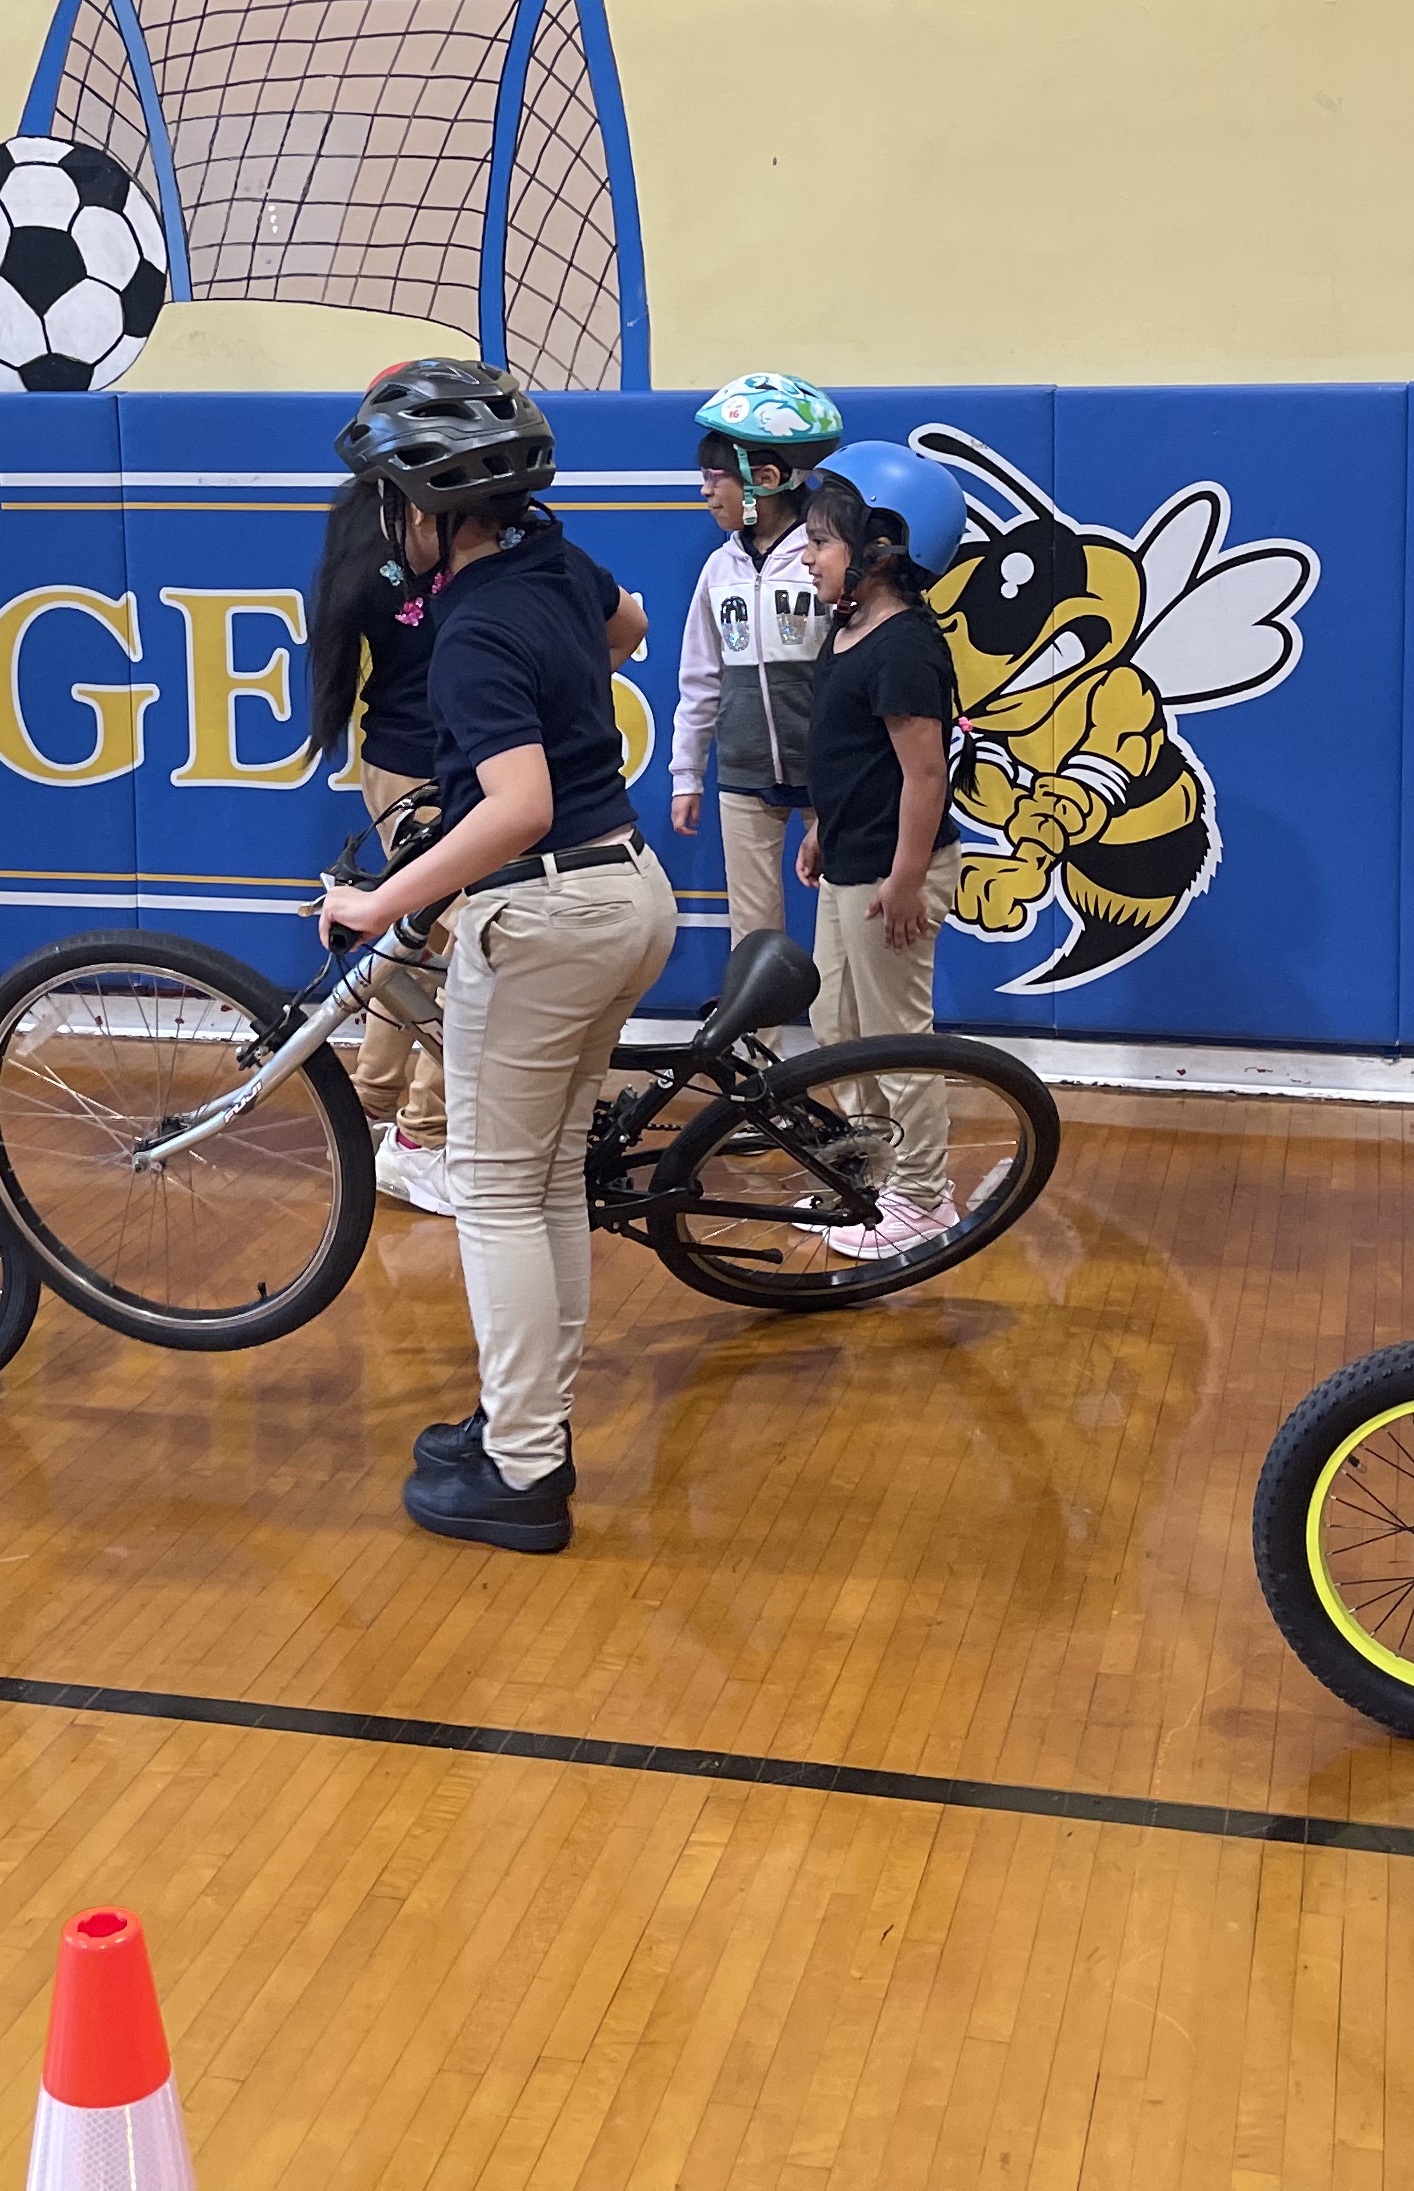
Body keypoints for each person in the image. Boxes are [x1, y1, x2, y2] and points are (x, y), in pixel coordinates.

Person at [317, 362, 669, 1555]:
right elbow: (628, 629)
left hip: (546, 915)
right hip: (628, 894)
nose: (378, 522)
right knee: (551, 1178)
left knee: (501, 1195)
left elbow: (514, 805)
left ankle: (523, 1469)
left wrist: (382, 903)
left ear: (427, 509)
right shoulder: (554, 565)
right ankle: (528, 1425)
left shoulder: (467, 627)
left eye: (386, 500)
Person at [791, 442, 973, 1259]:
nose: (807, 552)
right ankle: (869, 1173)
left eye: (823, 541)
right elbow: (850, 756)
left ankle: (926, 1197)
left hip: (894, 875)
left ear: (882, 551)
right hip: (850, 861)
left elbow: (925, 776)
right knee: (839, 1024)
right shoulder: (848, 630)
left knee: (897, 1036)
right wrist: (824, 829)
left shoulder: (905, 647)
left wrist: (905, 882)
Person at [305, 469, 452, 1209]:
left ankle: (372, 1101)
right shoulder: (404, 546)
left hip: (405, 765)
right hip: (422, 769)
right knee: (450, 951)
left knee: (414, 944)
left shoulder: (383, 532)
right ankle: (424, 1134)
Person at [668, 372, 842, 975]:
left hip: (830, 771)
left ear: (765, 481)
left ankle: (841, 1057)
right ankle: (756, 1056)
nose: (704, 493)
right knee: (753, 929)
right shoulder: (720, 570)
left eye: (715, 479)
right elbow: (700, 679)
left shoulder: (825, 564)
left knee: (842, 926)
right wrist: (687, 772)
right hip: (744, 773)